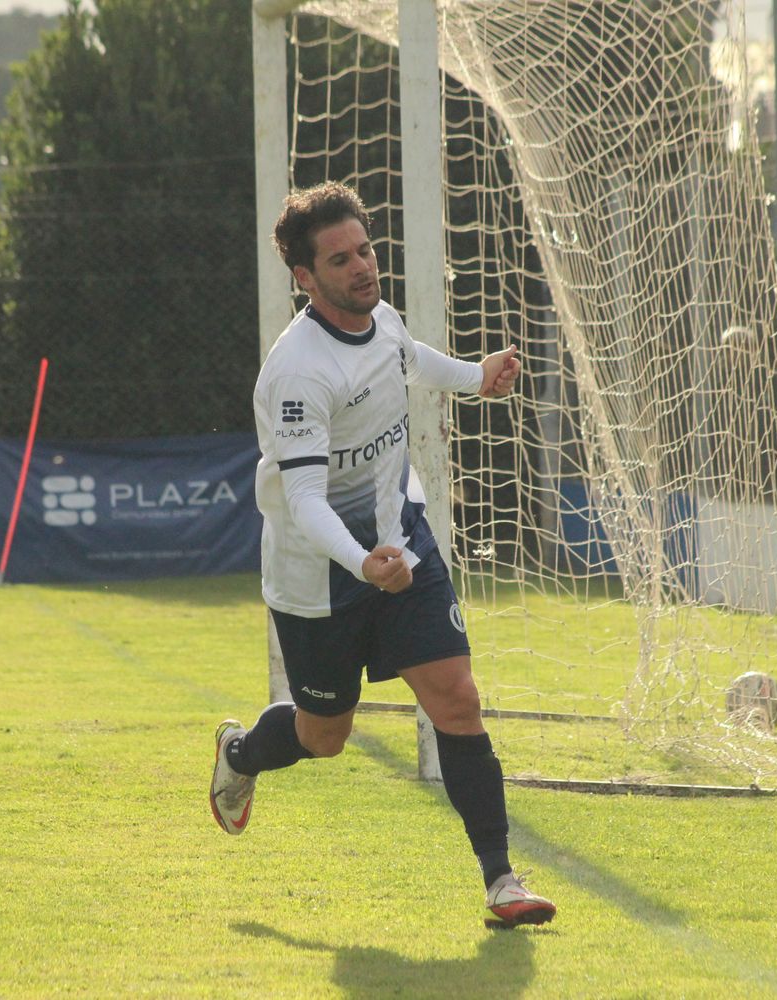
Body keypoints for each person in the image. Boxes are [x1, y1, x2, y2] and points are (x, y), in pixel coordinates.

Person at [209, 182, 557, 929]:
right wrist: (361, 563)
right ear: (305, 278)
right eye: (341, 260)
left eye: (365, 250)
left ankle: (501, 880)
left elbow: (405, 354)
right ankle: (241, 753)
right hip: (318, 576)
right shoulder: (299, 372)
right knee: (322, 737)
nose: (363, 267)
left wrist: (476, 375)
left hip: (401, 534)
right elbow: (304, 503)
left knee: (456, 697)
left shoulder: (381, 315)